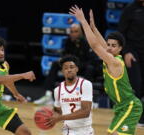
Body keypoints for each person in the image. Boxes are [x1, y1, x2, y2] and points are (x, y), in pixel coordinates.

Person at [69, 5, 143, 135]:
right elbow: (102, 43)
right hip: (121, 107)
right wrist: (93, 28)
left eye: (113, 46)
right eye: (108, 45)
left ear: (121, 49)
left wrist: (83, 21)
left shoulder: (114, 62)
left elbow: (95, 45)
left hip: (130, 107)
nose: (109, 48)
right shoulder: (111, 56)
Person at [34, 23, 98, 105]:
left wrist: (77, 66)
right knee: (55, 64)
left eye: (76, 31)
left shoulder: (86, 43)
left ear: (80, 33)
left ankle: (87, 99)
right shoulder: (68, 42)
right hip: (70, 67)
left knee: (90, 68)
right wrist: (62, 61)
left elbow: (92, 60)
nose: (73, 34)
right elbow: (65, 55)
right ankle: (48, 95)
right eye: (71, 32)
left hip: (82, 68)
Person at [45, 55, 94, 135]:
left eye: (71, 67)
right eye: (66, 68)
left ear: (77, 69)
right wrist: (50, 117)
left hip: (87, 130)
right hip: (69, 131)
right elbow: (57, 111)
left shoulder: (85, 84)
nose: (69, 70)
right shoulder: (58, 90)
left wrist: (60, 118)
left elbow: (85, 112)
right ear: (62, 71)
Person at [118, 0, 144, 125]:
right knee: (136, 84)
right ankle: (134, 117)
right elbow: (121, 32)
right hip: (133, 53)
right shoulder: (130, 9)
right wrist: (126, 52)